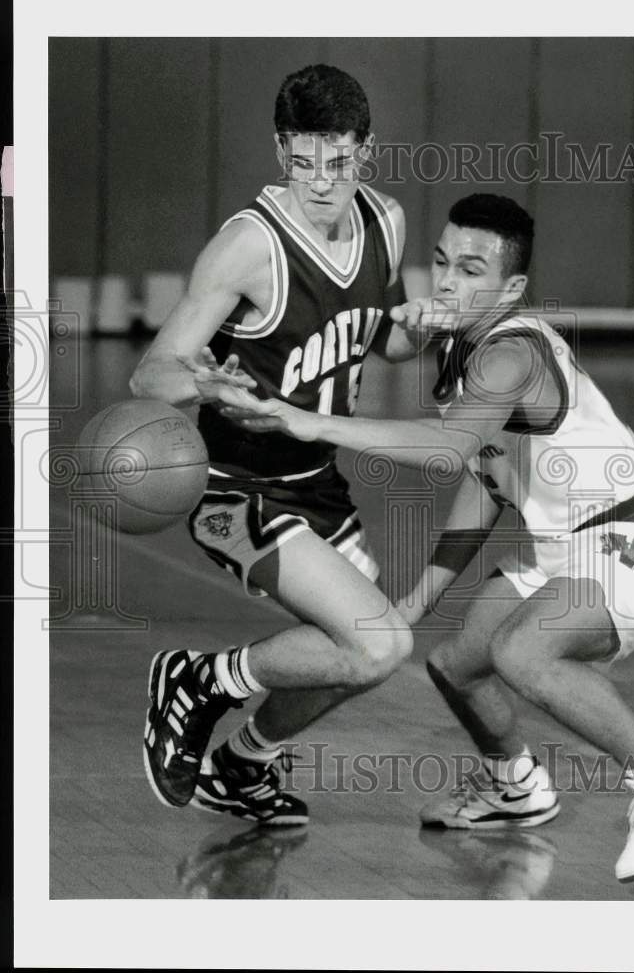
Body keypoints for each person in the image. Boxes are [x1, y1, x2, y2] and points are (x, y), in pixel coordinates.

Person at [219, 192, 634, 882]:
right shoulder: (463, 347)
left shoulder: (512, 353)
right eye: (442, 262)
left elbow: (449, 449)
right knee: (456, 666)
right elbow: (486, 477)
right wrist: (424, 596)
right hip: (565, 548)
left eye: (473, 269)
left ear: (511, 287)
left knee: (523, 652)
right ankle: (515, 789)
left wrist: (315, 424)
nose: (449, 280)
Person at [131, 64, 432, 826]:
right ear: (280, 151)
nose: (322, 183)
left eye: (338, 162)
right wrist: (207, 387)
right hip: (235, 487)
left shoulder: (385, 222)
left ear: (366, 150)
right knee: (379, 645)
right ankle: (199, 681)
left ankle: (241, 765)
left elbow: (383, 337)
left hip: (321, 483)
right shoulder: (249, 246)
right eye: (304, 163)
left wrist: (423, 328)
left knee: (353, 657)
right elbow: (150, 373)